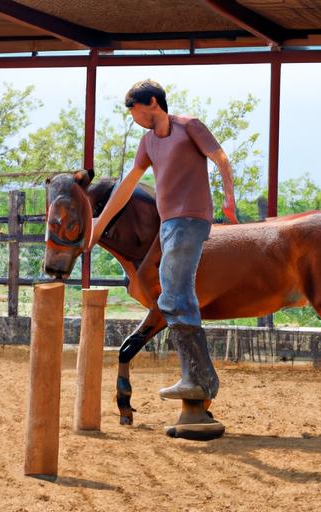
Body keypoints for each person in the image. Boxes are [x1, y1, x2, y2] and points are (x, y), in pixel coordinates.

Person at [88, 79, 237, 404]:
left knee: (172, 296)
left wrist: (228, 199)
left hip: (192, 218)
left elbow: (220, 158)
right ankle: (199, 378)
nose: (136, 119)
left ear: (153, 103)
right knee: (173, 297)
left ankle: (197, 378)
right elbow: (127, 184)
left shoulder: (189, 127)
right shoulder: (147, 142)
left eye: (136, 112)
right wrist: (99, 225)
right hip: (168, 223)